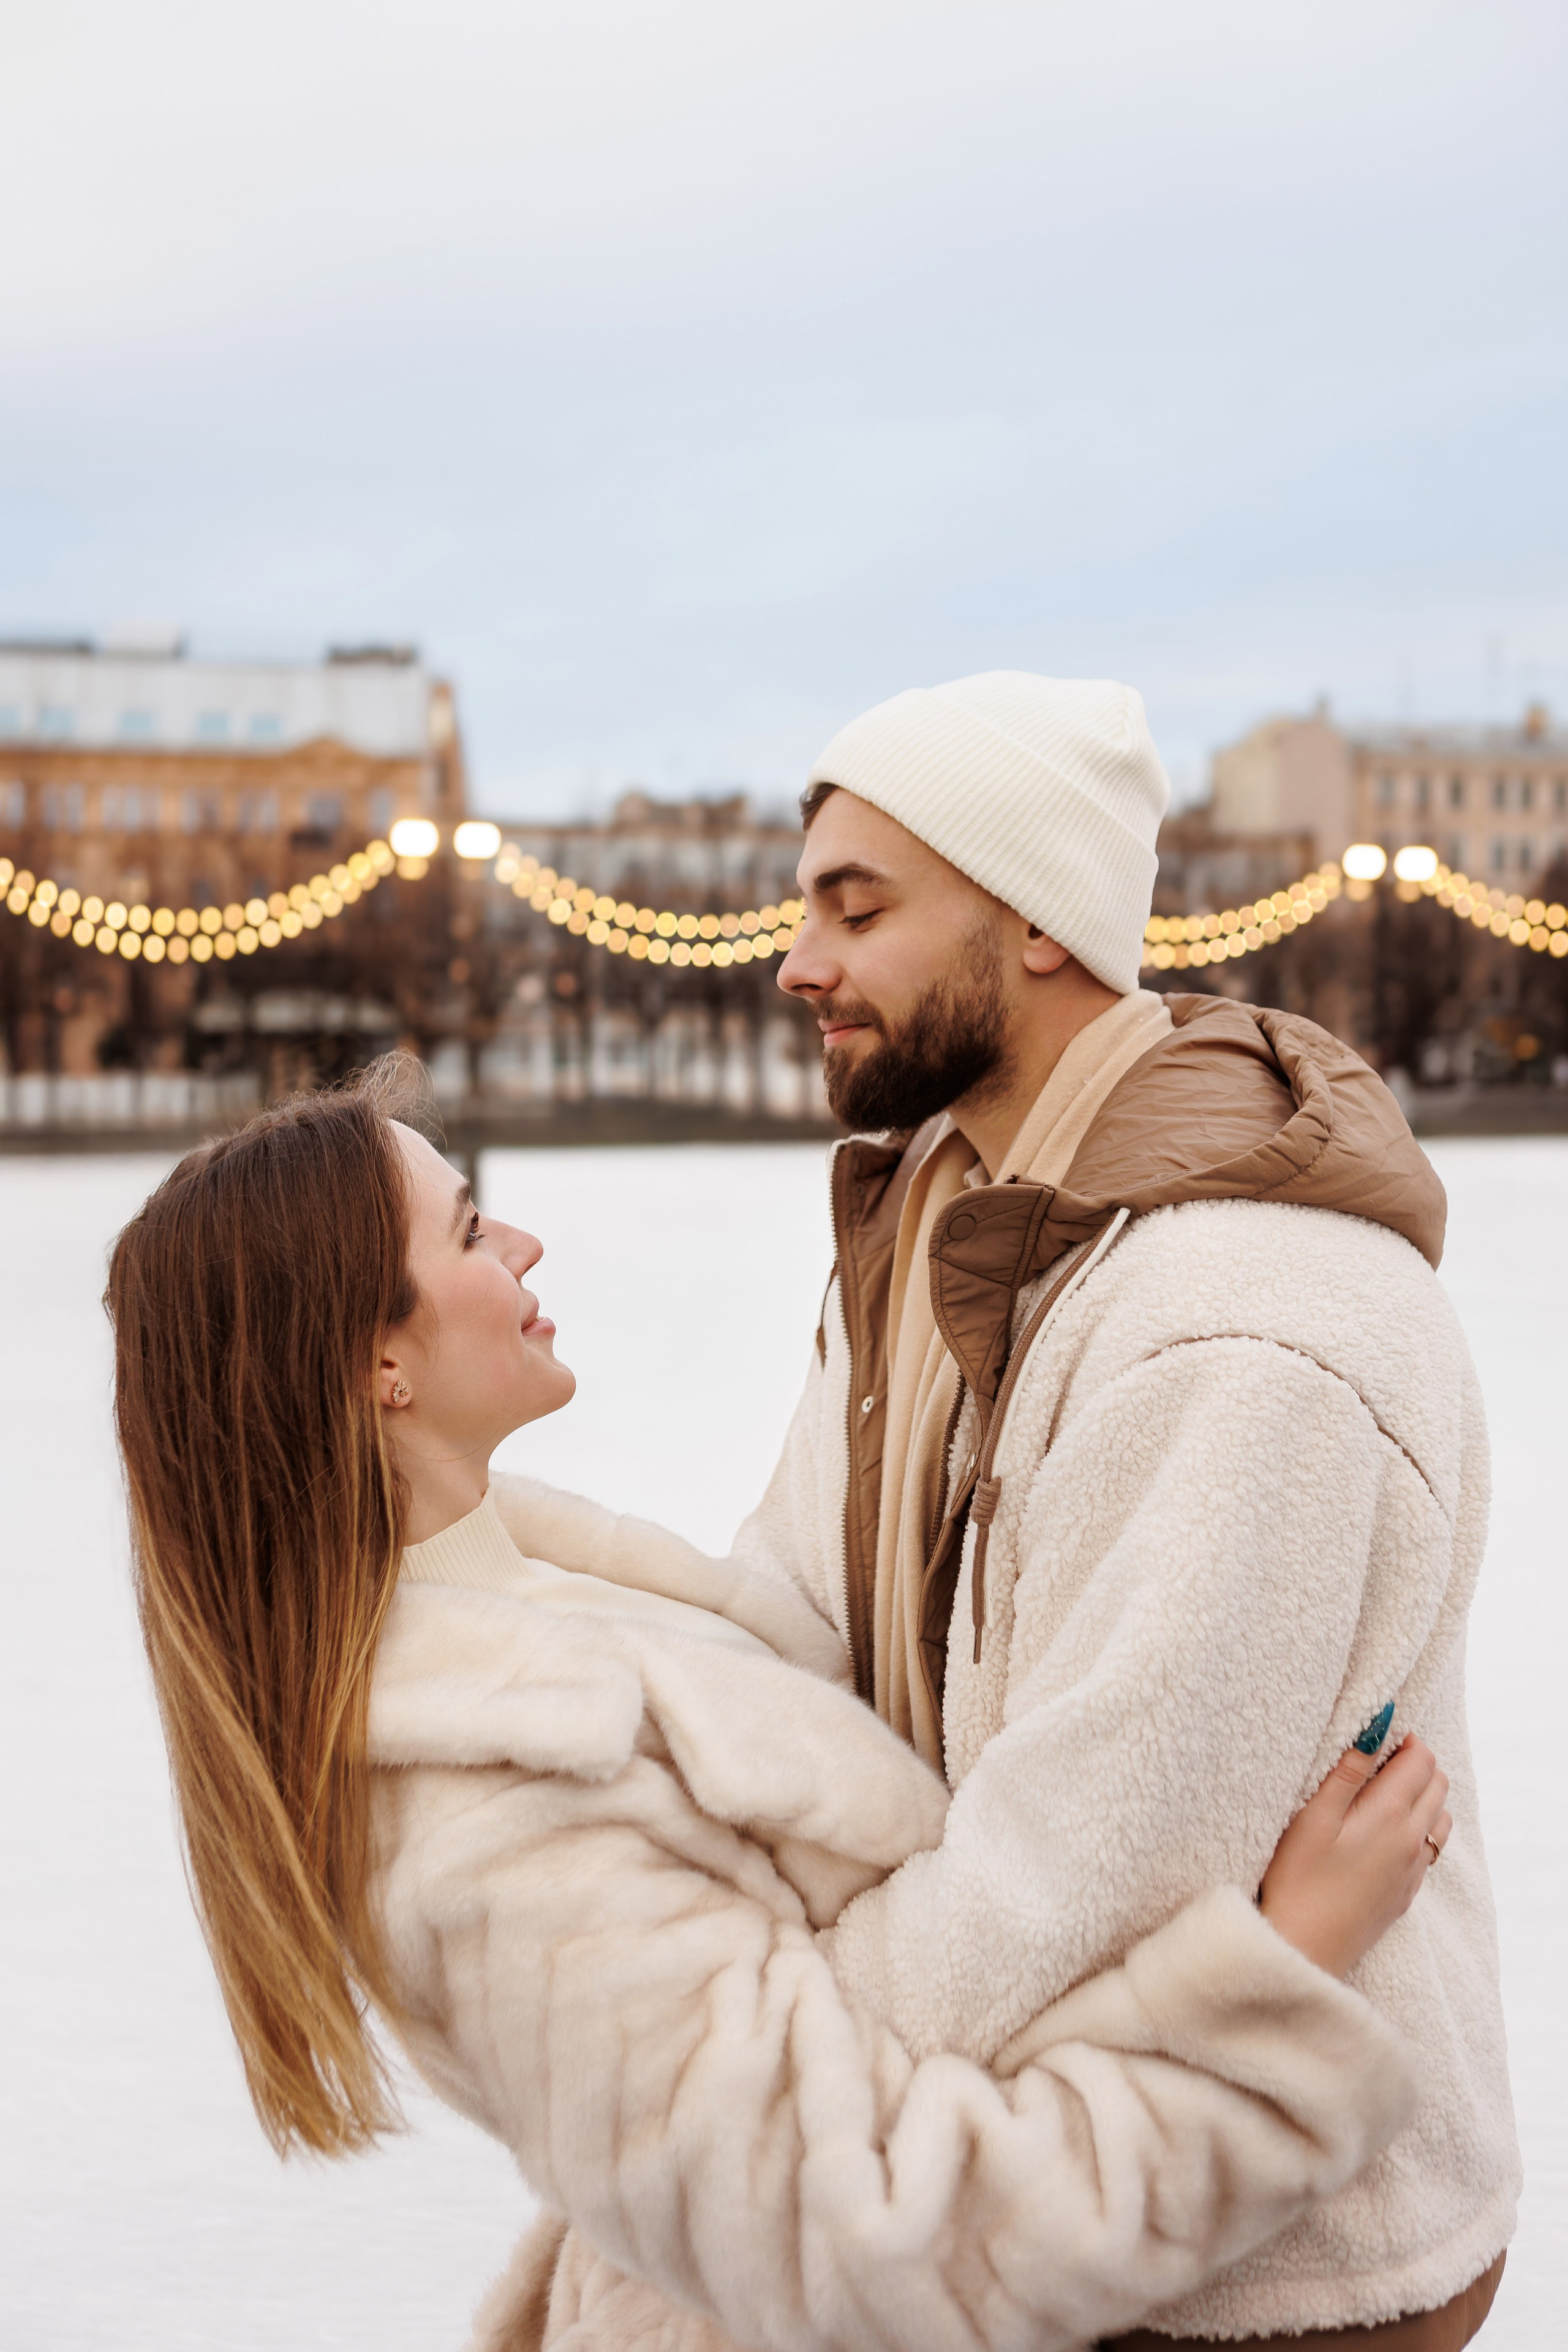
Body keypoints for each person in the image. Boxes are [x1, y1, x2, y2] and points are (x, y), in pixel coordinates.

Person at [107, 1067, 1452, 2352]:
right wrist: (1279, 1975)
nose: (521, 1246)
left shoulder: (540, 1595)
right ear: (378, 1366)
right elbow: (885, 2249)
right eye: (468, 1232)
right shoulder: (482, 1826)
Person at [706, 671, 1517, 2348]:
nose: (799, 964)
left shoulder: (1242, 1326)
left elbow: (1084, 1890)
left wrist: (747, 2059)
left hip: (1263, 2270)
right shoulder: (942, 1224)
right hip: (1018, 2201)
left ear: (1038, 923)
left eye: (859, 910)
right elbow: (781, 1632)